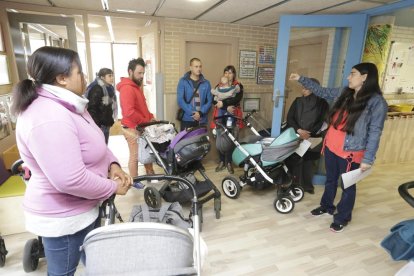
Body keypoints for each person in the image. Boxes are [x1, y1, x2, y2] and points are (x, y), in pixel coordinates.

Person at [11, 46, 132, 275]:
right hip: (65, 219)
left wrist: (113, 165)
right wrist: (112, 187)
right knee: (63, 272)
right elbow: (70, 180)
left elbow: (95, 143)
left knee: (97, 262)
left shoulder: (72, 105)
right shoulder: (48, 116)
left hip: (85, 208)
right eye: (80, 73)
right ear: (62, 78)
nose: (85, 78)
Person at [289, 62, 388, 233]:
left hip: (351, 152)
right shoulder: (346, 92)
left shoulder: (376, 102)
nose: (349, 77)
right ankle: (327, 206)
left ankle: (342, 217)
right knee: (330, 180)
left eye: (353, 73)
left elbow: (375, 131)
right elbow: (323, 91)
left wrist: (368, 158)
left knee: (347, 186)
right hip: (331, 146)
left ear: (364, 77)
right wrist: (301, 79)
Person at [285, 78, 329, 194]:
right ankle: (295, 185)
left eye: (306, 88)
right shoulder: (298, 101)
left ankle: (308, 186)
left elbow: (323, 121)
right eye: (303, 87)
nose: (303, 90)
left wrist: (309, 133)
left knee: (309, 162)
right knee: (295, 160)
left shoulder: (323, 103)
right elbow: (290, 118)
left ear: (314, 89)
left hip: (313, 137)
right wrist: (299, 130)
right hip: (297, 135)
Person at [117, 58, 155, 177]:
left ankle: (150, 175)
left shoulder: (135, 86)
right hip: (131, 128)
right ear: (130, 71)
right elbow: (129, 112)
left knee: (146, 151)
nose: (142, 76)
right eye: (139, 73)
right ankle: (134, 181)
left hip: (140, 126)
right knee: (134, 156)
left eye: (143, 73)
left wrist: (151, 117)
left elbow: (142, 107)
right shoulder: (127, 88)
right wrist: (145, 121)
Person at [210, 65, 244, 174]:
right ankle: (221, 161)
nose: (228, 75)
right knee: (220, 137)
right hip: (221, 114)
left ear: (234, 74)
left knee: (230, 138)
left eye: (230, 72)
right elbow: (213, 100)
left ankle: (228, 162)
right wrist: (225, 107)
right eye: (226, 72)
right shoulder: (219, 86)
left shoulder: (238, 86)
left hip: (232, 115)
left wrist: (224, 104)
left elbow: (237, 99)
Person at [177, 57, 212, 131]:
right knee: (186, 142)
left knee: (201, 142)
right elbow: (180, 100)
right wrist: (192, 113)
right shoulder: (183, 81)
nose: (199, 69)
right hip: (187, 119)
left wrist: (200, 113)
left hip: (202, 119)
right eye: (196, 66)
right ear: (191, 68)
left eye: (200, 66)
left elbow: (209, 101)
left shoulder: (206, 83)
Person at [85, 68, 118, 144]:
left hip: (106, 122)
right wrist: (97, 126)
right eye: (109, 76)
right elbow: (92, 109)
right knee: (101, 146)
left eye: (112, 76)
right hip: (100, 125)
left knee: (104, 145)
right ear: (102, 77)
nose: (112, 78)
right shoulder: (97, 88)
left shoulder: (109, 88)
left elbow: (109, 106)